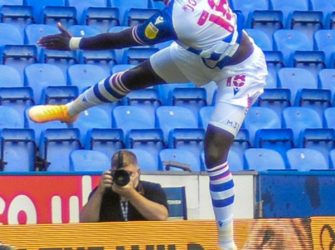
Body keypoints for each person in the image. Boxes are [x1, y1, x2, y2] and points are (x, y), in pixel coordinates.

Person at [28, 0, 268, 249]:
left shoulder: (177, 18)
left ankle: (226, 243)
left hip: (240, 70)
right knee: (132, 77)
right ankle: (69, 111)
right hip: (199, 53)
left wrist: (74, 43)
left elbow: (121, 40)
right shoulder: (179, 13)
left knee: (214, 152)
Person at [80, 150, 169, 222]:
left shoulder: (152, 189)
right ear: (111, 172)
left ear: (138, 172)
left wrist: (131, 194)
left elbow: (161, 217)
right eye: (118, 173)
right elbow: (85, 221)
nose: (123, 177)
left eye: (128, 173)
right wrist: (99, 192)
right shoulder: (103, 192)